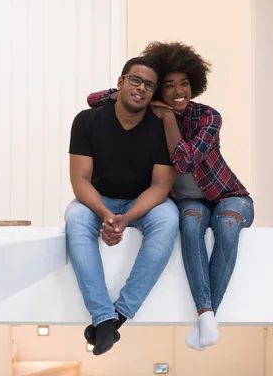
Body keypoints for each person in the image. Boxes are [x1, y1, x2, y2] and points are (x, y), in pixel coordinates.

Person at [86, 41, 254, 351]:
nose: (179, 90)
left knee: (227, 226)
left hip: (228, 195)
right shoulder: (148, 112)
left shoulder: (207, 117)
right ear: (158, 90)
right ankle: (207, 319)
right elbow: (94, 99)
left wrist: (167, 119)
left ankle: (207, 315)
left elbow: (185, 161)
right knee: (188, 225)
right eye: (168, 85)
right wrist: (134, 92)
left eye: (185, 83)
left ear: (195, 84)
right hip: (190, 201)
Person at [66, 56, 179, 356]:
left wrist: (126, 218)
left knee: (169, 217)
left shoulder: (160, 128)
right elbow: (80, 181)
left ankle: (117, 317)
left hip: (141, 202)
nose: (141, 88)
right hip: (98, 199)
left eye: (149, 86)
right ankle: (103, 317)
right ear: (121, 82)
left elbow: (161, 187)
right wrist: (105, 215)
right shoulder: (87, 121)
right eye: (136, 80)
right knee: (75, 215)